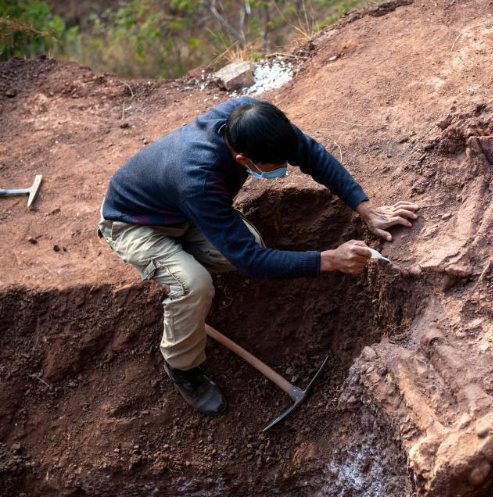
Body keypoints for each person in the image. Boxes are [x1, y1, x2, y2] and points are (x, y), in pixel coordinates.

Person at [98, 96, 418, 414]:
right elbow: (250, 261)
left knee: (245, 245)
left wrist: (365, 209)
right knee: (194, 283)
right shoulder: (199, 179)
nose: (283, 169)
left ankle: (177, 269)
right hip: (134, 224)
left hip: (182, 211)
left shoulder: (251, 121)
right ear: (242, 159)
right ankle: (181, 366)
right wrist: (330, 259)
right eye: (276, 167)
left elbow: (311, 154)